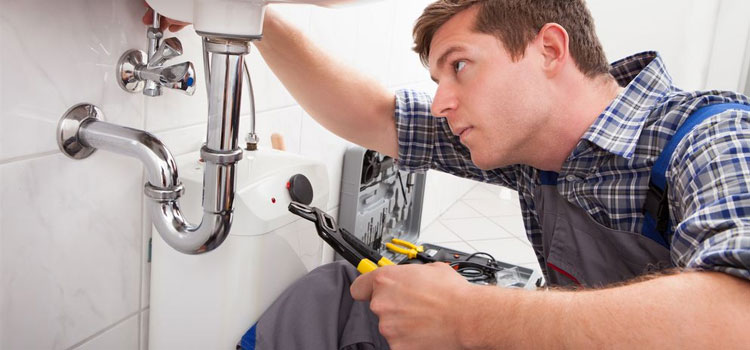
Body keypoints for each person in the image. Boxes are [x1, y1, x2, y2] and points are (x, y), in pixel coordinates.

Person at [145, 0, 750, 348]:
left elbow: (734, 321)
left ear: (549, 49)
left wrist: (470, 315)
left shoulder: (712, 137)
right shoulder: (531, 151)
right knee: (338, 301)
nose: (440, 102)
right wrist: (245, 11)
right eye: (438, 79)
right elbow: (374, 115)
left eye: (460, 67)